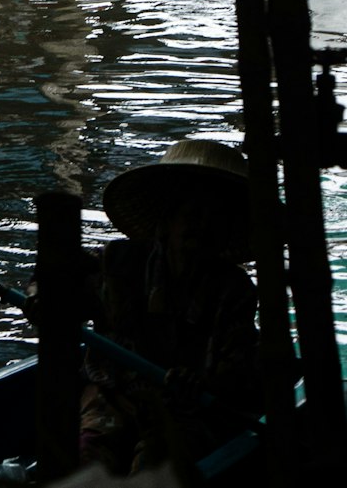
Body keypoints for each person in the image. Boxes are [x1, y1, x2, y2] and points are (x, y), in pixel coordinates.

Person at [78, 138, 261, 476]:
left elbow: (235, 379)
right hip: (113, 397)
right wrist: (41, 296)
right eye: (191, 214)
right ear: (168, 219)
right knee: (90, 456)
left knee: (154, 466)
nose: (201, 227)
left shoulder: (234, 290)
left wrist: (199, 384)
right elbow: (61, 276)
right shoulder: (118, 261)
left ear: (226, 231)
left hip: (187, 413)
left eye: (214, 218)